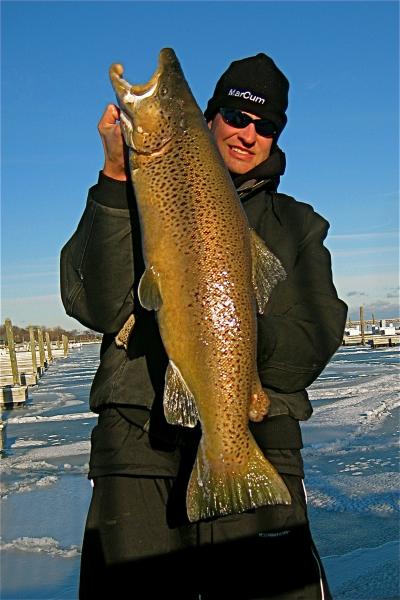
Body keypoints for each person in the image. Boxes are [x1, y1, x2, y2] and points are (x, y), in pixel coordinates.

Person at [61, 53, 347, 599]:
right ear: (211, 117)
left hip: (257, 448)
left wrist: (227, 337)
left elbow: (308, 349)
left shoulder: (300, 227)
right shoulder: (131, 197)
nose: (248, 135)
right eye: (237, 117)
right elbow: (93, 304)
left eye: (265, 127)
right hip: (138, 450)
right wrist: (117, 177)